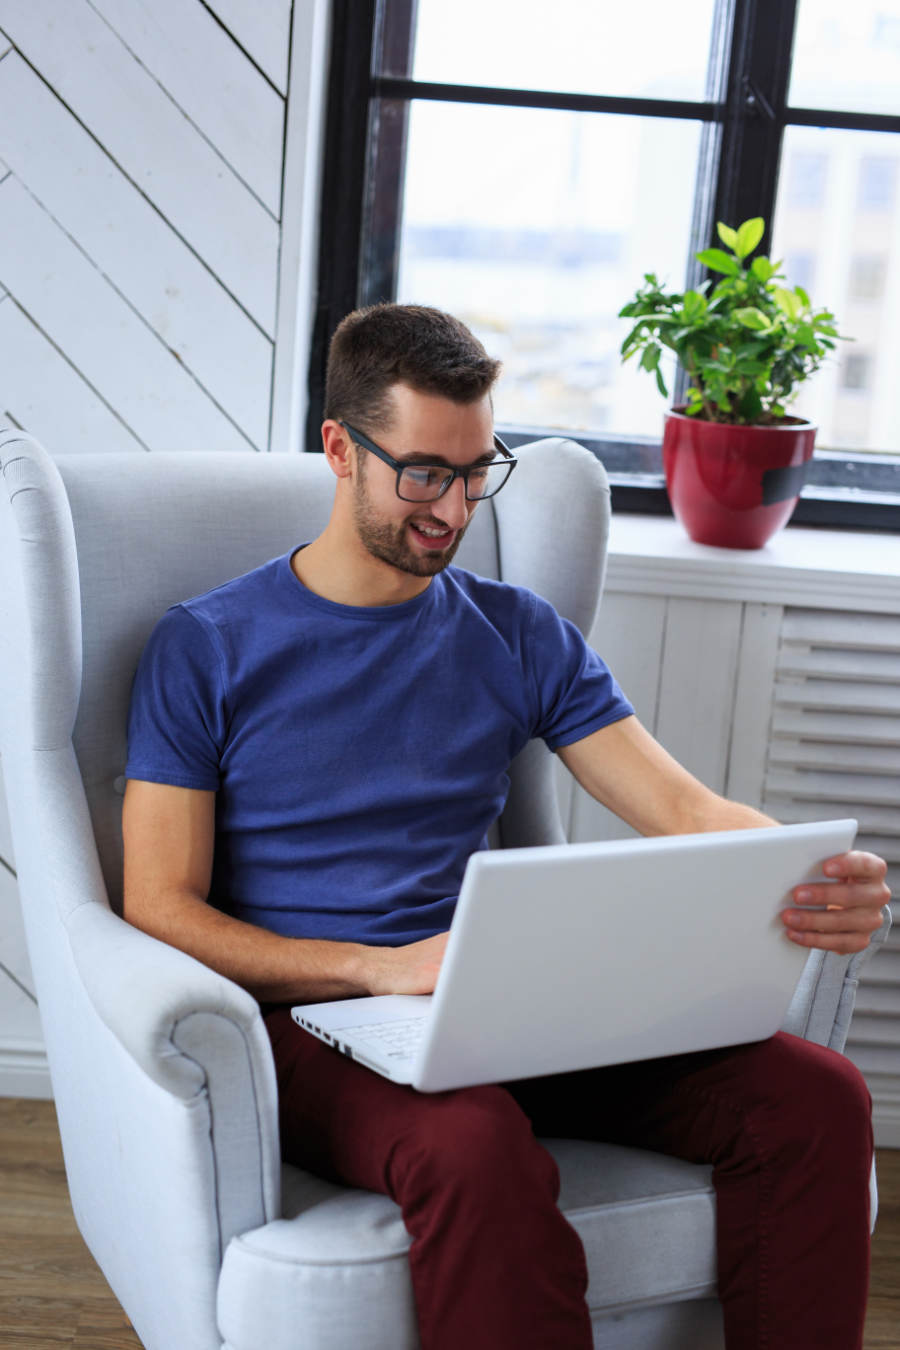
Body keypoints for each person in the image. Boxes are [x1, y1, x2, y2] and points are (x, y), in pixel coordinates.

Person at [122, 303, 889, 1350]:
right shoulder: (205, 649)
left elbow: (686, 811)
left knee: (816, 1101)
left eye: (480, 470)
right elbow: (158, 906)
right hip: (313, 1026)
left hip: (509, 1003)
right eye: (426, 472)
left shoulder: (518, 632)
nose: (457, 506)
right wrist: (377, 970)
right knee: (473, 1144)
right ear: (341, 448)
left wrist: (813, 872)